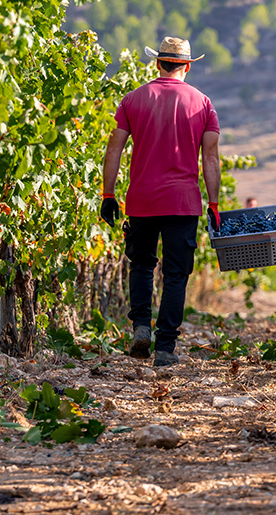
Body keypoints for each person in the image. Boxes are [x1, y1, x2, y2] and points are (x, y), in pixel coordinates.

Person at [101, 36, 222, 367]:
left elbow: (114, 149)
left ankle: (141, 326)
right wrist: (213, 204)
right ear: (186, 66)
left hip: (141, 199)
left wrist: (108, 194)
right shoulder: (202, 103)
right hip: (183, 202)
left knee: (140, 264)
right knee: (176, 273)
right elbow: (210, 158)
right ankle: (165, 346)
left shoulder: (133, 99)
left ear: (157, 64)